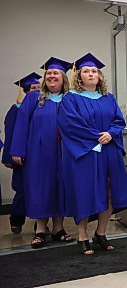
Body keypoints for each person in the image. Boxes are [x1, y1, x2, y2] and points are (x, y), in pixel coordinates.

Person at [57, 53, 127, 255]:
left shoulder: (108, 98)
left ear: (99, 76)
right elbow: (70, 126)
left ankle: (100, 232)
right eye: (86, 71)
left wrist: (110, 134)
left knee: (109, 192)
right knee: (84, 192)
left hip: (108, 151)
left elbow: (119, 121)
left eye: (94, 71)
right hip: (85, 153)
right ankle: (82, 236)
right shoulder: (70, 99)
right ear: (79, 76)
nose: (91, 74)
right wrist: (97, 139)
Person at [10, 57, 74, 248]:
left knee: (60, 186)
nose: (52, 76)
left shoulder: (70, 99)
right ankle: (40, 229)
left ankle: (58, 229)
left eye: (56, 74)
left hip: (64, 152)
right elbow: (21, 125)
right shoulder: (34, 98)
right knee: (39, 187)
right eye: (49, 74)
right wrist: (18, 150)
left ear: (63, 78)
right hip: (37, 152)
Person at [1, 72, 41, 234]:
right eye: (33, 88)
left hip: (39, 155)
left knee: (41, 190)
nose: (37, 91)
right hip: (22, 157)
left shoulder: (43, 106)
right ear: (25, 91)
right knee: (23, 190)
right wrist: (9, 157)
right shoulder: (16, 110)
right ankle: (17, 219)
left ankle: (40, 223)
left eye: (39, 88)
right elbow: (10, 134)